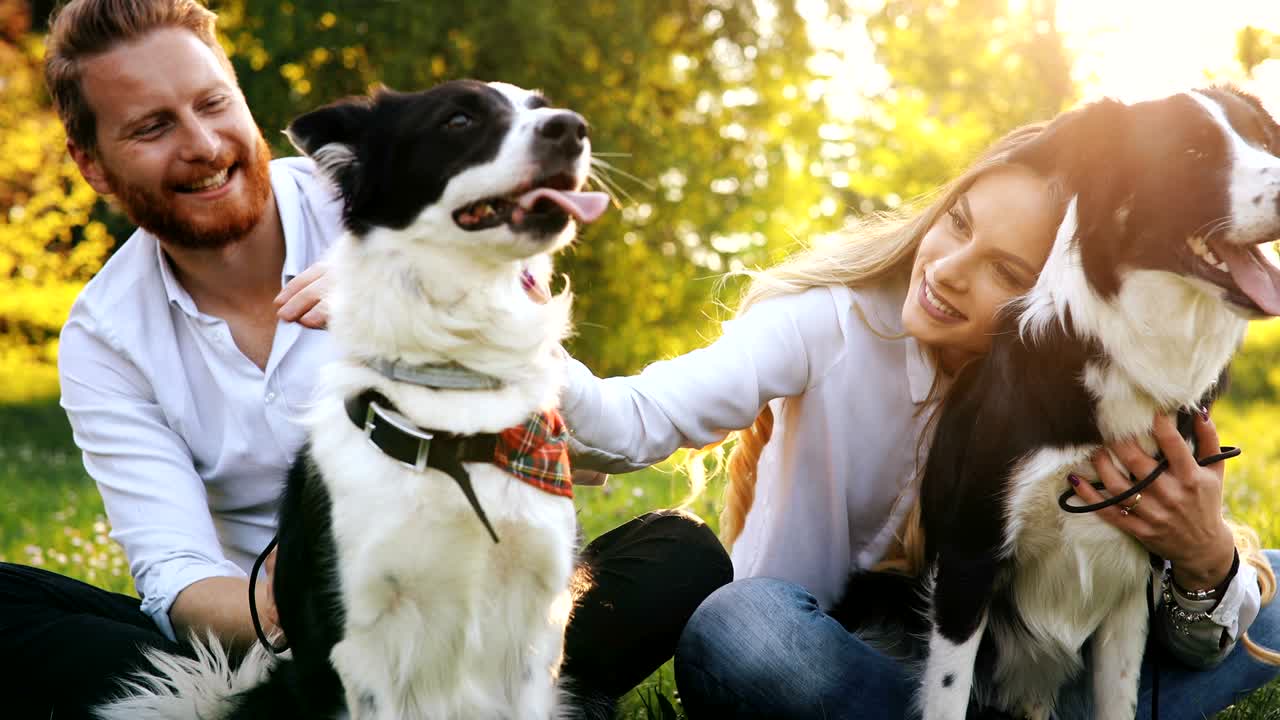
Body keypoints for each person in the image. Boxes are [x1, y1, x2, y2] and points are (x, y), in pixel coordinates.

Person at [0, 2, 731, 718]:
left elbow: (603, 439)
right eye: (154, 127)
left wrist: (422, 302)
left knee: (679, 553)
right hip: (273, 626)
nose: (203, 144)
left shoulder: (389, 195)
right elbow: (179, 577)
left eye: (212, 103)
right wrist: (319, 598)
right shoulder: (105, 335)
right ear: (93, 167)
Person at [559, 121, 1280, 718]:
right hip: (821, 657)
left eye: (1005, 272)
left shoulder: (1095, 400)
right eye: (956, 222)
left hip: (1013, 676)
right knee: (742, 628)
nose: (948, 269)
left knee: (1269, 589)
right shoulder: (827, 323)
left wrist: (1204, 555)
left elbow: (1188, 639)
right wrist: (508, 356)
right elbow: (639, 417)